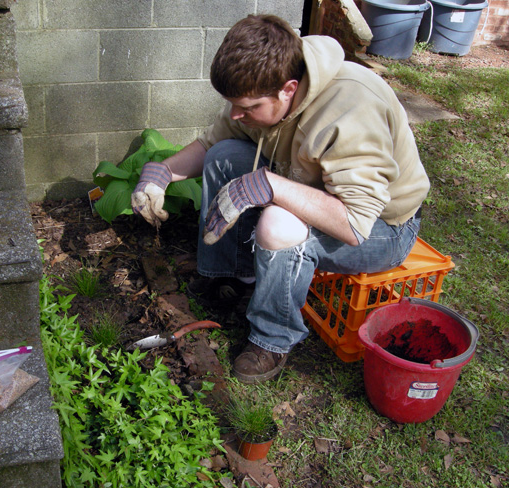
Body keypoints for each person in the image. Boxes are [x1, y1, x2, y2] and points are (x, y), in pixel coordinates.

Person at [131, 14, 430, 384]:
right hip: (318, 190)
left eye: (249, 107)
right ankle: (230, 278)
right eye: (233, 104)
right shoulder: (265, 85)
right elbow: (211, 143)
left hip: (382, 227)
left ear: (288, 89)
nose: (237, 114)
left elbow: (354, 225)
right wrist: (162, 172)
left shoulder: (352, 109)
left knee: (278, 224)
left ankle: (272, 338)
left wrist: (272, 187)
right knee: (225, 155)